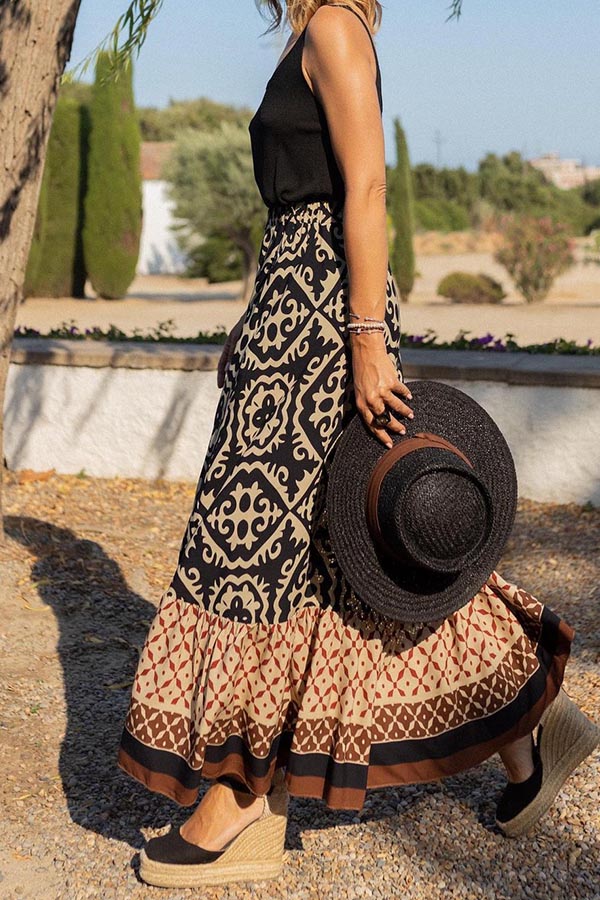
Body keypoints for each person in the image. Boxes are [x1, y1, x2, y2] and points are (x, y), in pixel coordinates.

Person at [116, 1, 599, 889]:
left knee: (260, 553)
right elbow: (301, 213)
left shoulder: (335, 27)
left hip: (326, 327)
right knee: (348, 559)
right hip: (292, 312)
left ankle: (241, 792)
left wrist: (368, 341)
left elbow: (366, 187)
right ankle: (524, 718)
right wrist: (255, 322)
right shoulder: (310, 34)